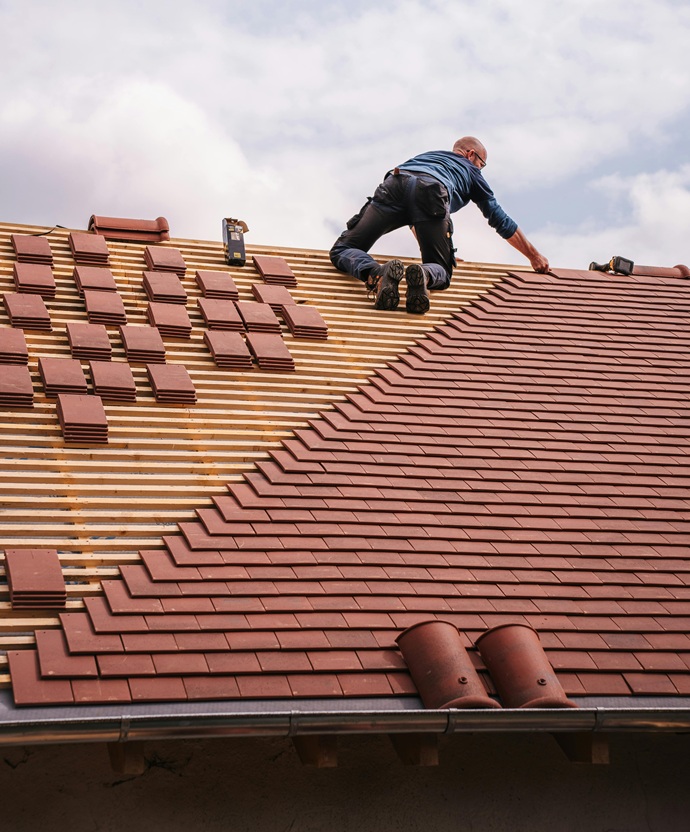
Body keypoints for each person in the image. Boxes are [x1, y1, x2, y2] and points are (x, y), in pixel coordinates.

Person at [329, 136, 549, 315]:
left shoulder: (426, 157)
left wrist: (444, 248)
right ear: (471, 154)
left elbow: (413, 210)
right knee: (441, 269)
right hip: (432, 192)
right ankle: (425, 274)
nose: (480, 169)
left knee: (343, 249)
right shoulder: (471, 171)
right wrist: (534, 256)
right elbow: (499, 218)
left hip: (395, 183)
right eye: (482, 164)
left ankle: (375, 273)